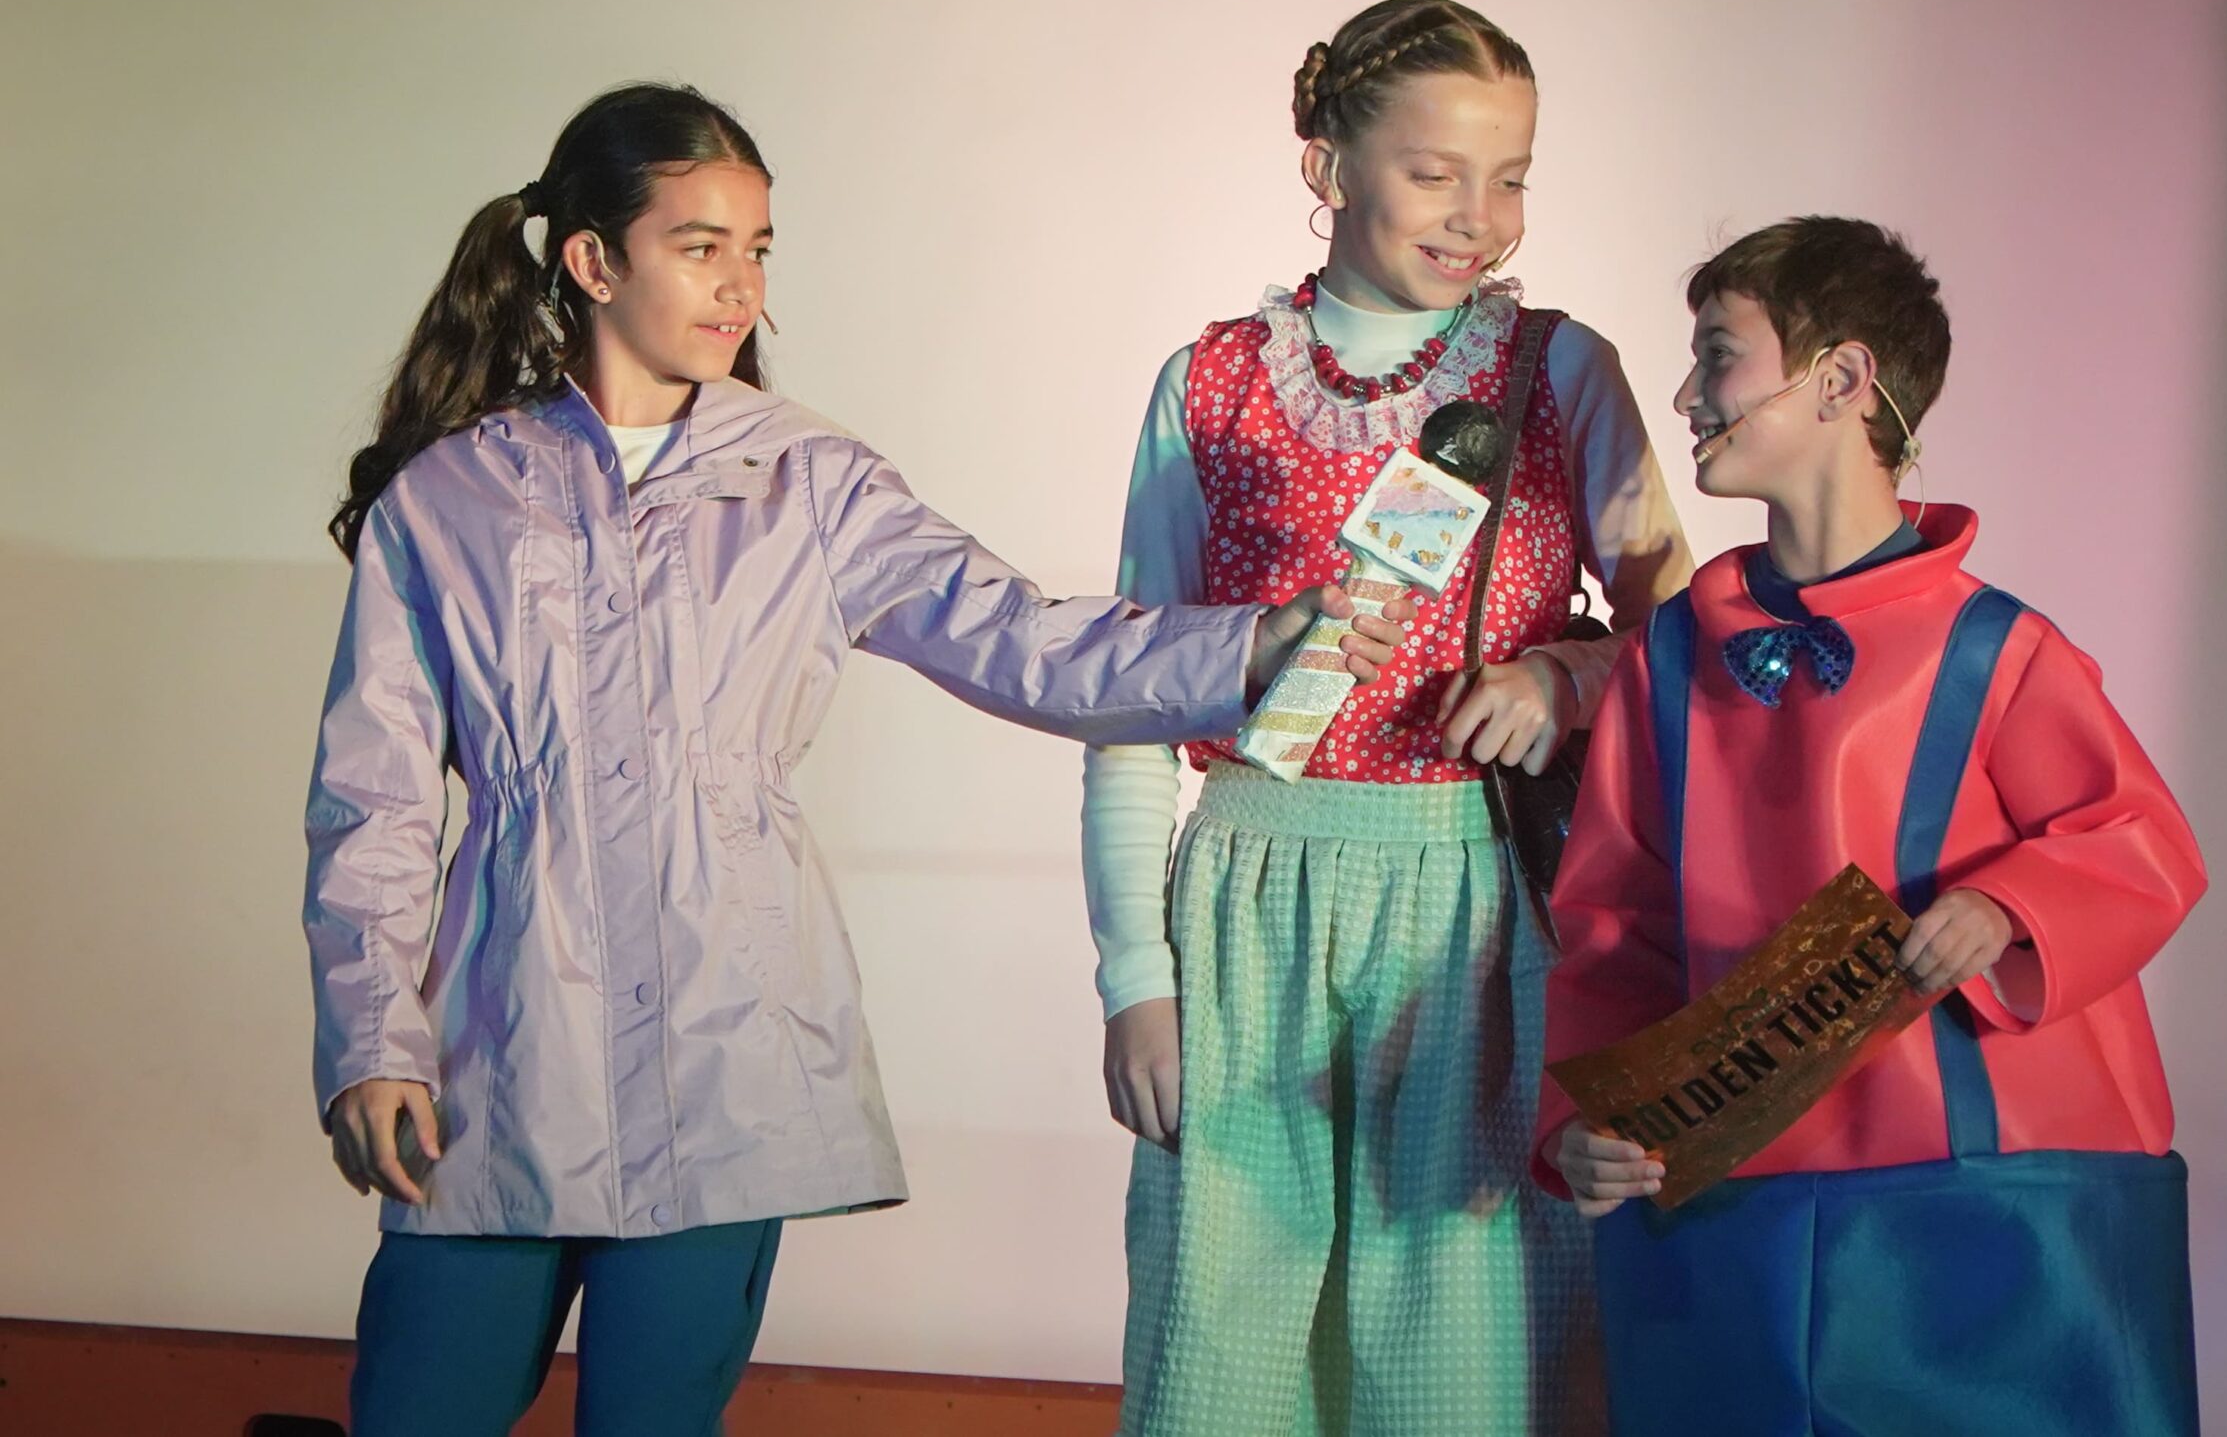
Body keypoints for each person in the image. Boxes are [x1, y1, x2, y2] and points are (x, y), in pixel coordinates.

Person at [305, 82, 1411, 1437]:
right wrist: (371, 1041)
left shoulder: (810, 482)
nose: (740, 286)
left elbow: (1023, 640)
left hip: (727, 1052)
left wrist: (1250, 642)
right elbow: (372, 803)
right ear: (592, 261)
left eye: (758, 248)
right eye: (699, 246)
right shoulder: (450, 499)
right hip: (502, 1051)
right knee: (417, 1410)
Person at [1084, 0, 1692, 1435]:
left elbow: (1682, 643)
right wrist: (1133, 976)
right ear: (1327, 167)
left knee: (1460, 1325)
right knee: (1223, 1326)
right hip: (1248, 892)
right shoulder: (1212, 382)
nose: (1480, 215)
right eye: (1434, 172)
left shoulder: (1559, 370)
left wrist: (1566, 679)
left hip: (1477, 903)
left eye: (1511, 176)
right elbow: (1129, 690)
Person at [1538, 217, 2207, 1436]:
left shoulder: (1995, 649)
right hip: (1731, 1209)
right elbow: (1609, 929)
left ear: (1840, 379)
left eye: (1718, 355)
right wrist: (1584, 1124)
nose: (1686, 395)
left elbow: (2139, 842)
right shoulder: (1669, 657)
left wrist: (2008, 905)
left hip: (1988, 1211)